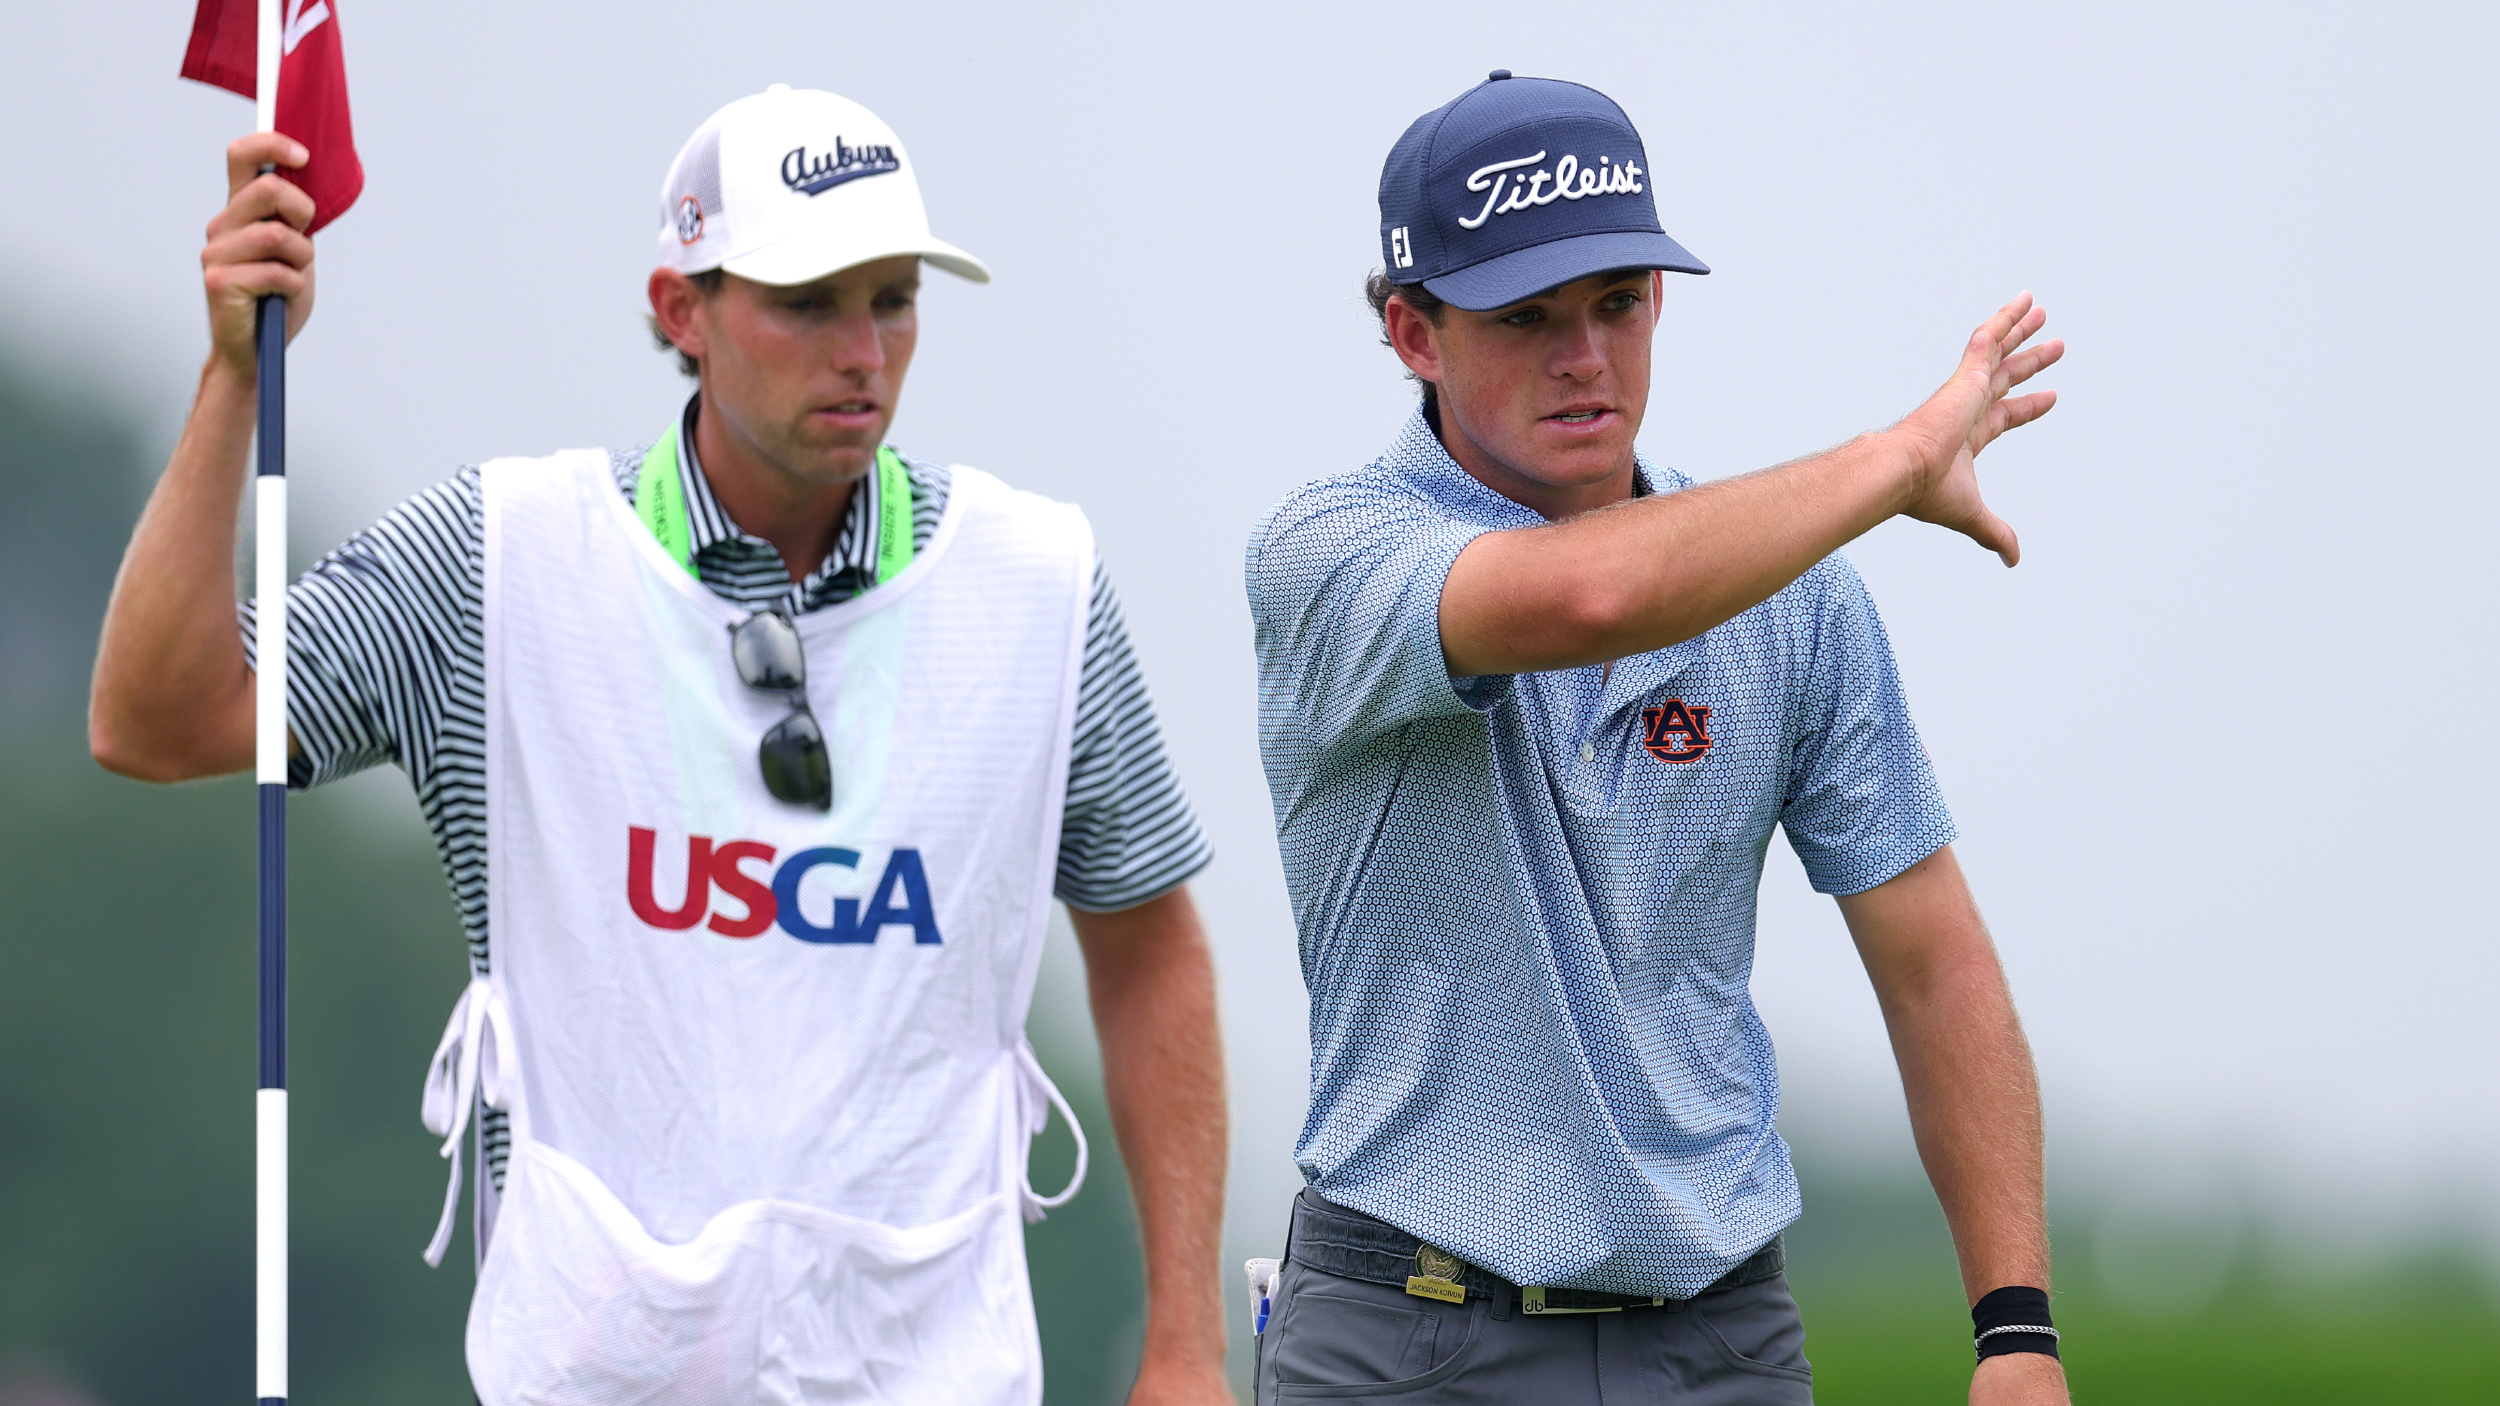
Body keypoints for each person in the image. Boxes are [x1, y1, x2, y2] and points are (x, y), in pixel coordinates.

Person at [92, 84, 1231, 1406]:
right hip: (594, 1372)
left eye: (893, 300)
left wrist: (1185, 1348)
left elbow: (1150, 951)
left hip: (927, 1370)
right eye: (808, 303)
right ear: (682, 308)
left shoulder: (1039, 582)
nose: (863, 351)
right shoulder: (500, 555)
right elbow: (161, 718)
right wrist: (238, 377)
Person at [1244, 72, 2069, 1405]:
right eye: (1526, 316)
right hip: (1410, 1337)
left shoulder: (1796, 599)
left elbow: (1933, 966)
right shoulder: (1329, 552)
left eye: (1618, 303)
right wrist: (1902, 458)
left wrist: (2016, 1331)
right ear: (1413, 332)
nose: (1585, 356)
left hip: (1717, 1343)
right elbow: (1592, 595)